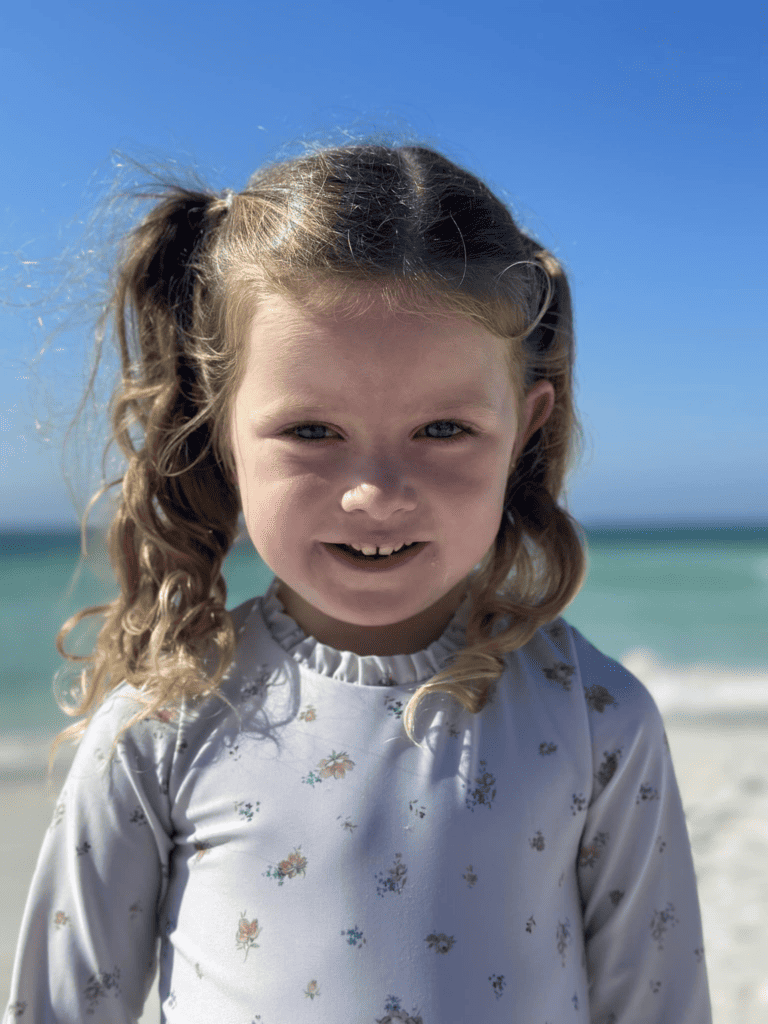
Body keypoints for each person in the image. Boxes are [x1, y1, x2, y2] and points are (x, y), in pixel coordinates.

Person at [4, 141, 712, 1023]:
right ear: (218, 427)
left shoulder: (598, 721)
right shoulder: (160, 732)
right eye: (311, 430)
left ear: (526, 428)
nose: (377, 492)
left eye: (444, 428)